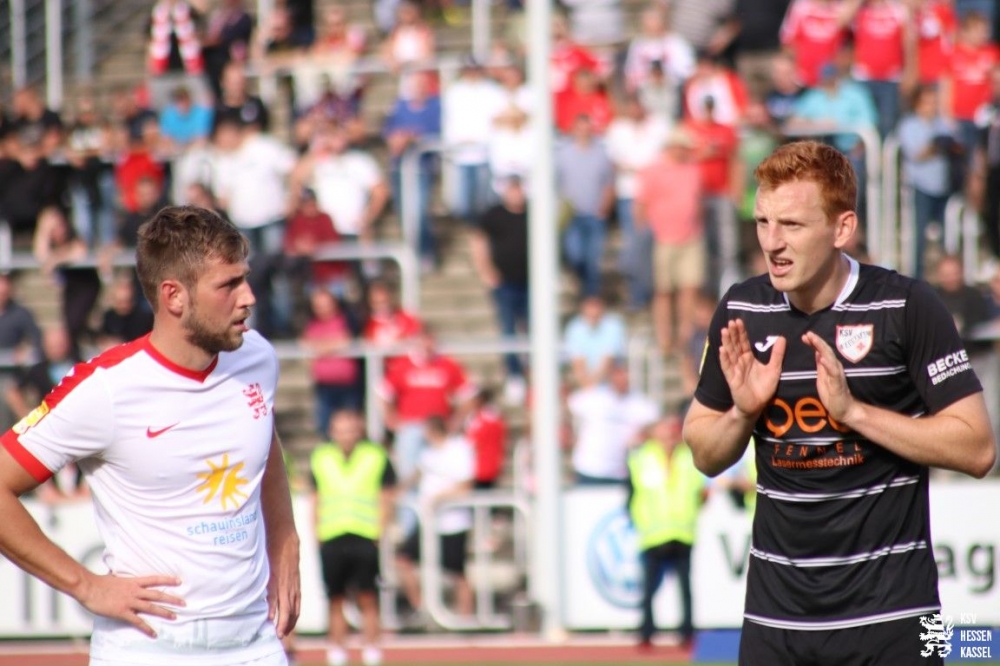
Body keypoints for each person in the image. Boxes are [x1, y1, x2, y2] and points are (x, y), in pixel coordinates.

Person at [682, 140, 996, 664]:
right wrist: (743, 412)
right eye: (763, 222)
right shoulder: (742, 309)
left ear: (842, 228)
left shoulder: (907, 306)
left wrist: (854, 413)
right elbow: (704, 452)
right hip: (774, 623)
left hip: (898, 619)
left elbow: (978, 448)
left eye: (792, 225)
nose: (772, 243)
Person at [0, 206, 301, 665]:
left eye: (245, 278)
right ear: (174, 296)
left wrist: (285, 537)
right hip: (147, 648)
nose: (249, 297)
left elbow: (262, 438)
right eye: (229, 284)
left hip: (254, 645)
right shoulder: (105, 390)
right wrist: (86, 586)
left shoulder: (256, 356)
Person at [310, 409, 395, 666]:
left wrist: (380, 530)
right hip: (332, 533)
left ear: (359, 431)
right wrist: (316, 531)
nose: (345, 436)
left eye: (350, 430)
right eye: (340, 430)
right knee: (335, 597)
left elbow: (386, 496)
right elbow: (316, 496)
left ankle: (371, 648)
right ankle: (337, 648)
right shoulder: (321, 456)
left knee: (368, 596)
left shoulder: (375, 455)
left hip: (364, 532)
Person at [627, 415, 706, 651]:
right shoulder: (642, 458)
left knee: (685, 588)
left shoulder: (688, 458)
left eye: (673, 430)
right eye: (665, 430)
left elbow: (700, 492)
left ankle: (686, 633)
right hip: (653, 533)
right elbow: (633, 493)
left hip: (682, 531)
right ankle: (646, 632)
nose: (670, 435)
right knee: (649, 589)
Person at [395, 416, 475, 619]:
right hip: (429, 522)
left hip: (453, 522)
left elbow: (465, 485)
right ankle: (422, 610)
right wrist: (395, 492)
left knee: (457, 572)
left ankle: (465, 617)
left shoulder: (459, 449)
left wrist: (439, 498)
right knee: (403, 560)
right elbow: (416, 474)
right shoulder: (428, 453)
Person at [567, 362, 659, 485]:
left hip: (620, 472)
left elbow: (653, 429)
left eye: (625, 374)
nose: (623, 378)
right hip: (588, 468)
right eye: (619, 374)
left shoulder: (642, 404)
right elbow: (569, 407)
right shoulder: (594, 397)